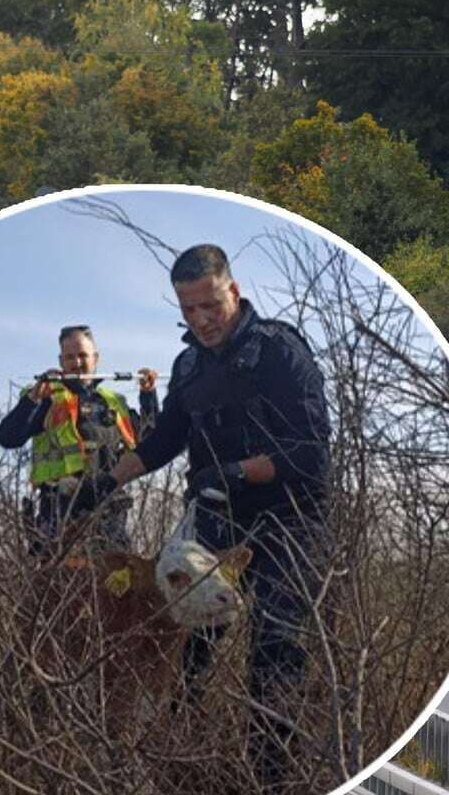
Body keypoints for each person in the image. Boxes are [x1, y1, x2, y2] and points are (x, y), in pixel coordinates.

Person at [80, 244, 332, 787]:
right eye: (188, 310)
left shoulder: (278, 353)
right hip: (219, 519)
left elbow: (312, 454)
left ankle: (271, 776)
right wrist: (104, 482)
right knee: (183, 644)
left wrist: (240, 472)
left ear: (233, 293)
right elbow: (166, 438)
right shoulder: (189, 363)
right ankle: (181, 761)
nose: (201, 320)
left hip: (289, 517)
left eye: (210, 307)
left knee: (275, 644)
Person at [0, 325, 159, 554]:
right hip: (59, 508)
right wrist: (33, 399)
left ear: (96, 358)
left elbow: (150, 442)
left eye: (83, 355)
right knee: (57, 582)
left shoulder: (114, 402)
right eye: (70, 357)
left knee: (117, 581)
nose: (77, 363)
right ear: (61, 361)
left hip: (109, 509)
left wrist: (148, 396)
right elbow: (8, 438)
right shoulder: (46, 398)